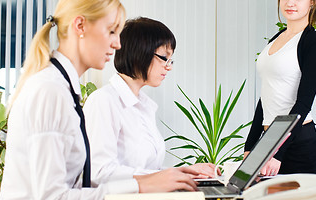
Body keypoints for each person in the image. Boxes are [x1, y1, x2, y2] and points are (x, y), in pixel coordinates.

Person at [0, 0, 200, 200]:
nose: (117, 43)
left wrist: (157, 181)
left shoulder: (62, 89)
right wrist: (140, 186)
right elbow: (52, 197)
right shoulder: (50, 91)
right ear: (80, 26)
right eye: (111, 31)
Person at [83, 17, 217, 185]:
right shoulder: (104, 101)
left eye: (170, 60)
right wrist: (168, 176)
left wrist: (185, 172)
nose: (169, 66)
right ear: (141, 52)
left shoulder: (143, 105)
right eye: (164, 57)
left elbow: (148, 170)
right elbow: (99, 172)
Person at [244, 0, 316, 176]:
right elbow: (266, 98)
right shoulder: (276, 38)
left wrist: (277, 152)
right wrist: (250, 146)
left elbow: (303, 104)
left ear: (313, 1)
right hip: (271, 142)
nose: (290, 3)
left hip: (299, 146)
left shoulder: (313, 43)